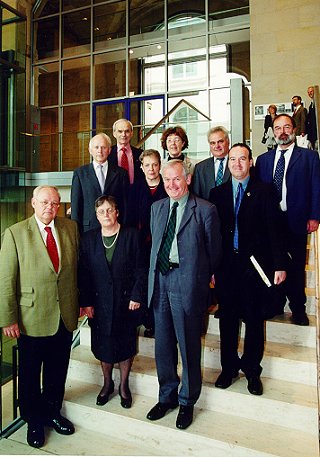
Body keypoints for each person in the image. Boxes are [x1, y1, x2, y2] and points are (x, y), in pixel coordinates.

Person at [0, 186, 79, 448]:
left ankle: (53, 413)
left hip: (64, 315)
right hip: (29, 317)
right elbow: (6, 280)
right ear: (33, 203)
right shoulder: (15, 233)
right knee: (31, 374)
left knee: (58, 371)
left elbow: (75, 271)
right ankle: (33, 421)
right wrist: (8, 318)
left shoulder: (70, 228)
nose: (50, 207)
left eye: (55, 203)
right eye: (45, 202)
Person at [146, 160, 221, 430]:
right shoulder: (156, 208)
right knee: (163, 345)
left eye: (176, 179)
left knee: (188, 346)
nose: (171, 185)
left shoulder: (205, 209)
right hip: (160, 282)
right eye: (167, 180)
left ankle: (187, 401)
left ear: (187, 179)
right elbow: (154, 247)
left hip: (187, 283)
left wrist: (202, 280)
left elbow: (213, 253)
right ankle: (167, 396)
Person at [209, 144, 287, 396]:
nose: (237, 164)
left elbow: (275, 230)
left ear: (250, 162)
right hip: (226, 269)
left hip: (255, 268)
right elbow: (212, 235)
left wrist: (279, 265)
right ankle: (228, 368)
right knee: (227, 321)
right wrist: (210, 267)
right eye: (232, 159)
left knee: (254, 321)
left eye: (242, 159)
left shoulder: (265, 191)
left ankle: (252, 371)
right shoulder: (217, 193)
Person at [78, 195, 147, 410]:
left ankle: (124, 386)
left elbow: (140, 269)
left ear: (117, 212)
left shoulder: (131, 235)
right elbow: (84, 274)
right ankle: (107, 384)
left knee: (125, 346)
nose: (106, 214)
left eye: (110, 210)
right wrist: (87, 302)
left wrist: (137, 295)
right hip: (99, 305)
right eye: (101, 211)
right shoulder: (88, 239)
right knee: (104, 346)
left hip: (126, 303)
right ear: (96, 215)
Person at [255, 114, 320, 325]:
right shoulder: (263, 160)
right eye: (277, 128)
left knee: (296, 265)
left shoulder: (309, 157)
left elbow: (316, 188)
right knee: (273, 263)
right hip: (269, 223)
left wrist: (314, 216)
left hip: (296, 219)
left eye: (286, 127)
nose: (282, 132)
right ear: (273, 132)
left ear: (293, 129)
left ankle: (298, 308)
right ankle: (275, 302)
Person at [135, 149, 167, 337]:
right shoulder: (135, 189)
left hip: (163, 245)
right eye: (147, 165)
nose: (152, 169)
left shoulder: (167, 187)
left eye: (155, 164)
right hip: (142, 245)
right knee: (145, 282)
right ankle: (148, 321)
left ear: (160, 165)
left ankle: (161, 323)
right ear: (141, 167)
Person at [71, 132, 129, 234]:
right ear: (90, 150)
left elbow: (124, 204)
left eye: (103, 147)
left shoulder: (121, 173)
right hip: (88, 229)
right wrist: (76, 233)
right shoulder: (80, 174)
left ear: (109, 150)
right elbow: (76, 206)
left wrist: (123, 227)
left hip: (115, 228)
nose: (100, 151)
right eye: (96, 147)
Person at [192, 126, 231, 200]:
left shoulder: (236, 163)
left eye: (220, 141)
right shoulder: (200, 168)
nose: (217, 146)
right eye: (213, 143)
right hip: (207, 210)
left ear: (228, 141)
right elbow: (196, 197)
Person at [108, 118, 143, 185]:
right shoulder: (108, 153)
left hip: (135, 193)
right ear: (114, 133)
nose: (123, 135)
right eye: (120, 131)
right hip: (114, 194)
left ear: (131, 133)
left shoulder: (140, 154)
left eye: (127, 131)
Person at [306, 86, 318, 150]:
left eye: (311, 91)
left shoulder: (318, 103)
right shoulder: (311, 105)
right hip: (313, 134)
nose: (310, 93)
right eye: (308, 92)